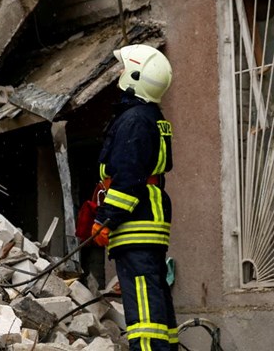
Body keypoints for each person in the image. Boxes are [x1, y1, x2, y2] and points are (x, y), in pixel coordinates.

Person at [92, 44, 177, 351]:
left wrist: (105, 219)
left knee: (143, 306)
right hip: (148, 222)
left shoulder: (134, 120)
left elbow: (128, 178)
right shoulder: (148, 116)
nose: (119, 74)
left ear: (135, 76)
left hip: (136, 224)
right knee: (155, 298)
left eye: (124, 69)